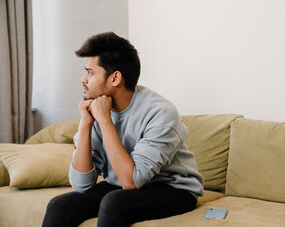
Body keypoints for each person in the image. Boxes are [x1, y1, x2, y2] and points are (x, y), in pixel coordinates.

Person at [42, 32, 204, 227]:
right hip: (121, 184)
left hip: (173, 188)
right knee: (60, 205)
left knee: (114, 203)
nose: (83, 79)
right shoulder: (97, 108)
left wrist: (104, 120)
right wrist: (85, 125)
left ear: (115, 78)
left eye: (90, 72)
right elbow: (81, 185)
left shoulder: (160, 113)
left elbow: (131, 182)